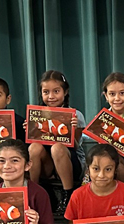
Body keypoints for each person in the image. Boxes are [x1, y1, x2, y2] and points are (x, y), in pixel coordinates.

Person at [28, 70, 86, 213]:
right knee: (34, 147)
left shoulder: (75, 114)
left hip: (70, 163)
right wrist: (29, 130)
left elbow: (76, 145)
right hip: (46, 165)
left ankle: (69, 195)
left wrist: (72, 129)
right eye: (46, 92)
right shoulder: (37, 114)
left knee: (57, 148)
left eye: (56, 91)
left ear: (65, 92)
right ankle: (32, 193)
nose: (51, 96)